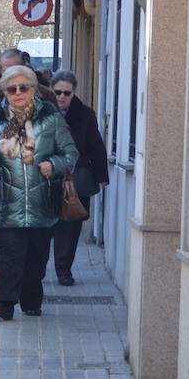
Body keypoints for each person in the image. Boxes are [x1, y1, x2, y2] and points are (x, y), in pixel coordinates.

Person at [0, 65, 77, 320]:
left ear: (34, 89)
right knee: (11, 255)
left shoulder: (50, 117)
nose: (19, 93)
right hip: (7, 198)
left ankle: (31, 300)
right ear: (4, 92)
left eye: (24, 87)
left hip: (42, 199)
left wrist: (54, 165)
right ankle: (4, 302)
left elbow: (70, 153)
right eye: (12, 89)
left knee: (36, 258)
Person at [48, 71, 108, 286]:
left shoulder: (85, 114)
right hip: (46, 175)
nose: (62, 97)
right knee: (45, 226)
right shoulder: (42, 113)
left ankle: (64, 269)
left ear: (73, 93)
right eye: (58, 92)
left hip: (75, 178)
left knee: (70, 226)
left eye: (67, 93)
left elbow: (96, 145)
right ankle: (36, 269)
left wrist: (101, 175)